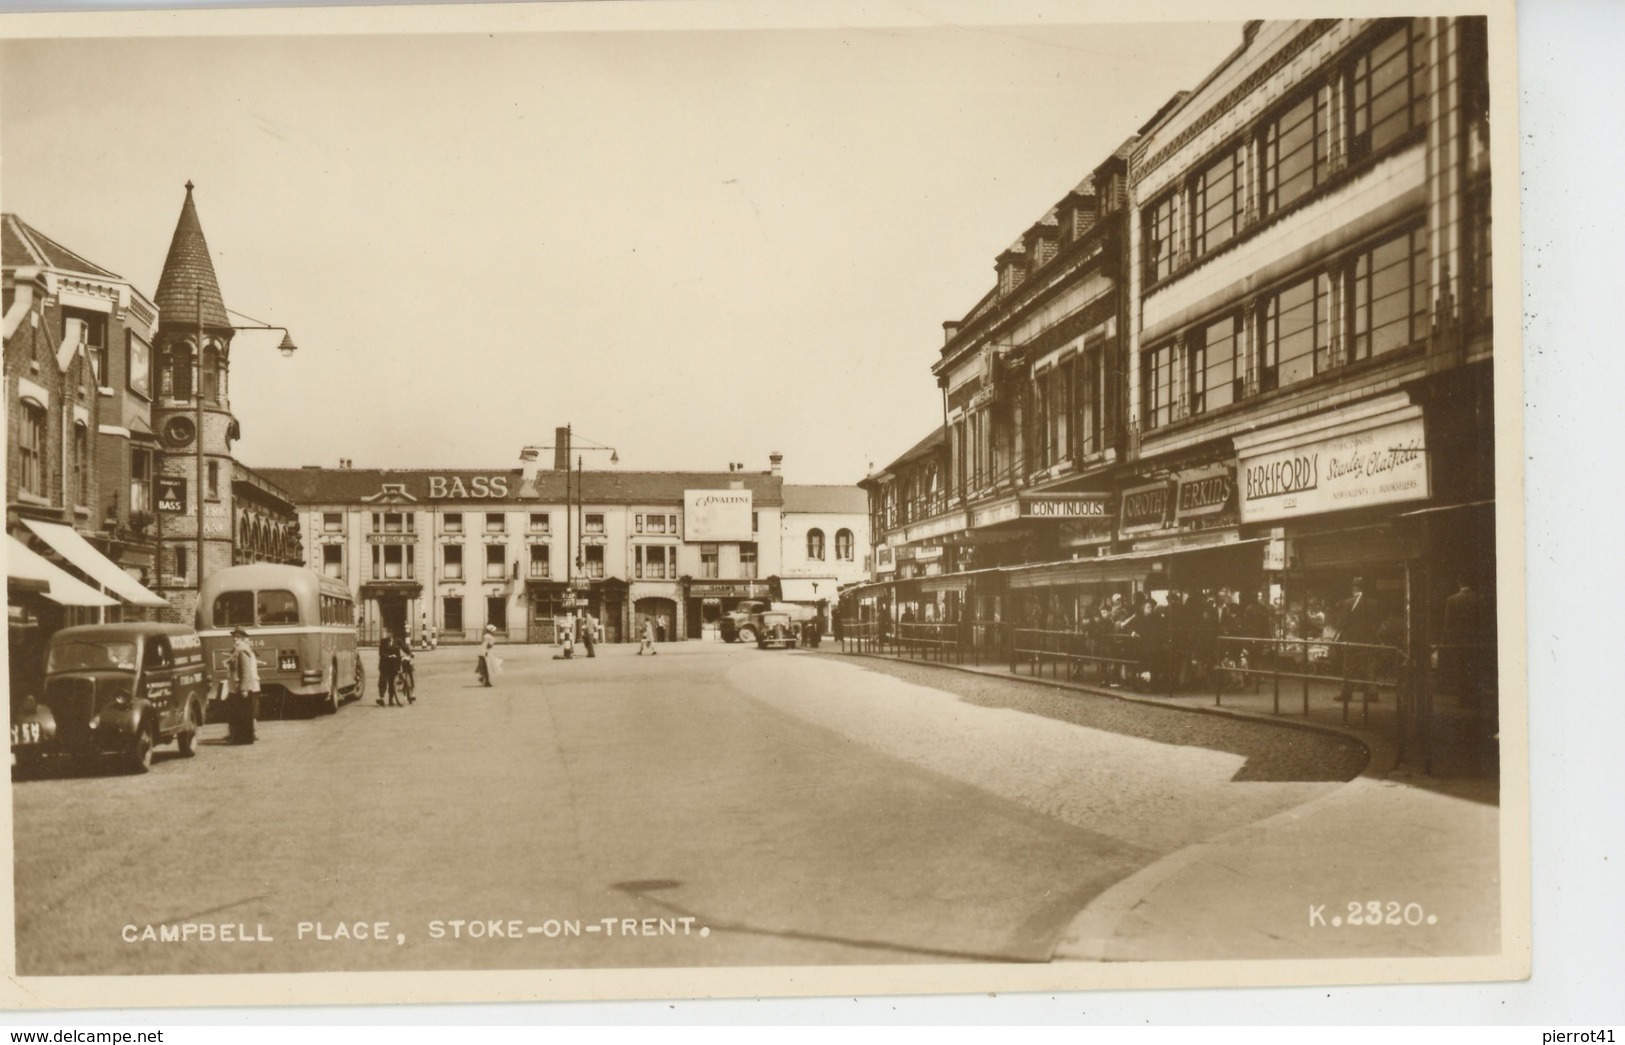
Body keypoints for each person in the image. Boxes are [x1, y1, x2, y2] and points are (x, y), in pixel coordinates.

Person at [1336, 577, 1379, 703]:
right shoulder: (1373, 603)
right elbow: (1376, 622)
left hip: (1352, 641)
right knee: (1370, 666)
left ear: (1353, 588)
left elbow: (1342, 623)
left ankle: (1346, 693)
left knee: (1349, 666)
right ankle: (1372, 693)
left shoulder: (1348, 603)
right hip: (1368, 641)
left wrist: (1338, 636)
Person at [1443, 576, 1488, 699]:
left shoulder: (1451, 600)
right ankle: (1474, 697)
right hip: (1475, 641)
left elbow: (1448, 623)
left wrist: (1448, 640)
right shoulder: (1480, 599)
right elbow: (1484, 622)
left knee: (1461, 669)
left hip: (1458, 642)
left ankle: (1463, 698)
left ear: (1459, 583)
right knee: (1474, 668)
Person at [226, 626, 260, 744]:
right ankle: (240, 738)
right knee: (238, 713)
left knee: (243, 714)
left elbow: (246, 671)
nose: (235, 639)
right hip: (236, 687)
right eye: (234, 637)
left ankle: (244, 738)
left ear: (243, 638)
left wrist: (244, 688)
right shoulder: (237, 650)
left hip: (240, 687)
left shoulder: (242, 651)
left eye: (238, 637)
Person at [377, 631, 402, 706]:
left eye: (390, 632)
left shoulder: (397, 641)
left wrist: (410, 653)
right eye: (387, 632)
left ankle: (391, 699)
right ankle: (382, 698)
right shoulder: (383, 641)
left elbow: (404, 648)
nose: (388, 634)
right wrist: (388, 656)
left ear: (393, 634)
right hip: (385, 665)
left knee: (392, 684)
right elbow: (381, 653)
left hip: (394, 666)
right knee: (383, 682)